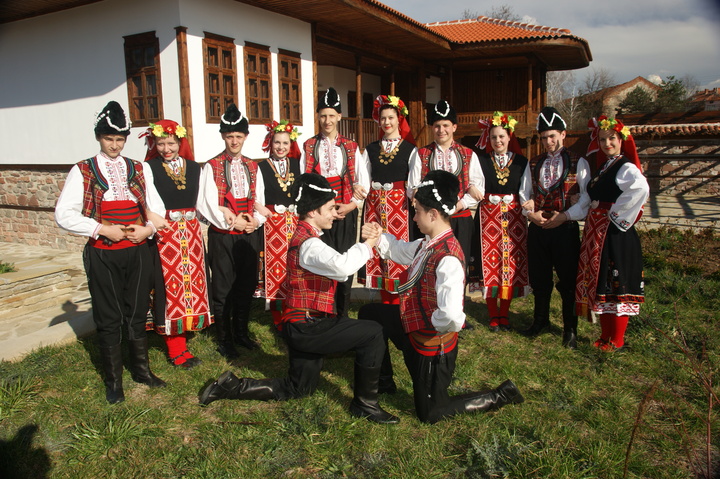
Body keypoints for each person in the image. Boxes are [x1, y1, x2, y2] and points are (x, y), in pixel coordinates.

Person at [199, 173, 399, 425]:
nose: (334, 212)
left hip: (301, 326)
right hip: (307, 327)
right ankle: (366, 403)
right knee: (373, 331)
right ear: (314, 212)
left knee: (297, 389)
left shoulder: (309, 237)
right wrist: (368, 244)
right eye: (329, 208)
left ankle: (231, 386)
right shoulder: (309, 244)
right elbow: (342, 267)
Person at [358, 170, 524, 423]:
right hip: (414, 327)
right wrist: (377, 235)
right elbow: (399, 250)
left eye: (418, 211)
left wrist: (425, 322)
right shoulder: (429, 243)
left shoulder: (446, 257)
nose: (414, 217)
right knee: (371, 315)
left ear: (433, 214)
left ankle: (500, 395)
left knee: (431, 413)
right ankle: (383, 383)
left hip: (432, 348)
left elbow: (451, 316)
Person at [55, 101, 166, 404]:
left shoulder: (139, 168)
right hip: (103, 252)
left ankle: (142, 371)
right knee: (108, 314)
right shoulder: (83, 170)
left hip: (138, 251)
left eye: (119, 139)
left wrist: (148, 229)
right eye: (109, 139)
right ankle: (114, 380)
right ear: (99, 137)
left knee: (137, 308)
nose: (114, 145)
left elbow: (156, 208)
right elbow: (63, 213)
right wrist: (102, 229)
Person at [141, 119, 213, 368]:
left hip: (191, 234)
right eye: (160, 143)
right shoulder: (148, 168)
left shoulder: (195, 168)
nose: (165, 148)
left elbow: (204, 203)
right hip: (166, 235)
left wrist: (223, 219)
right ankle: (176, 347)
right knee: (171, 288)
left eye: (170, 143)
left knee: (191, 286)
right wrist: (152, 217)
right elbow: (147, 201)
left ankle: (187, 330)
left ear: (180, 142)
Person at [198, 104, 266, 359]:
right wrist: (231, 222)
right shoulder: (211, 165)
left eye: (239, 136)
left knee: (246, 285)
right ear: (223, 137)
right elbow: (205, 204)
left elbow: (260, 199)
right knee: (224, 287)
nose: (234, 141)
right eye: (230, 136)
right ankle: (224, 339)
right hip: (223, 236)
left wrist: (254, 222)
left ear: (245, 137)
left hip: (248, 235)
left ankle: (241, 332)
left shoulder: (252, 166)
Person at [576, 116, 649, 352]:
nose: (607, 143)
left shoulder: (625, 167)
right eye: (603, 139)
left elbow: (641, 188)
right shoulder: (606, 165)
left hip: (616, 233)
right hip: (599, 232)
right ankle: (606, 335)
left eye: (612, 139)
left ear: (621, 140)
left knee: (617, 285)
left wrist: (615, 213)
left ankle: (617, 339)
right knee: (604, 286)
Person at [522, 107, 591, 349]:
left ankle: (570, 329)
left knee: (568, 281)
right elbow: (524, 193)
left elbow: (585, 197)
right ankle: (540, 321)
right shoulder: (533, 163)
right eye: (543, 138)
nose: (548, 142)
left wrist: (566, 216)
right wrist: (531, 213)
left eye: (552, 136)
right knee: (540, 279)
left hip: (564, 230)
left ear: (563, 134)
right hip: (539, 229)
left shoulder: (577, 161)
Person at [301, 88, 369, 318]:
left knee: (345, 263)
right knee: (321, 262)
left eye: (331, 115)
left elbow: (363, 182)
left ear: (339, 117)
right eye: (323, 115)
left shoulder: (350, 146)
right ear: (318, 117)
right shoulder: (309, 145)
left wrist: (351, 205)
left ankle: (341, 315)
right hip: (320, 217)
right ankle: (322, 312)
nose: (327, 120)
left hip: (346, 213)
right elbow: (306, 181)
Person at [470, 111, 532, 332]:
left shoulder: (522, 162)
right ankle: (492, 314)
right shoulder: (481, 160)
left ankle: (504, 314)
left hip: (513, 220)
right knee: (491, 265)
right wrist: (473, 189)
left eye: (501, 137)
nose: (498, 141)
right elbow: (473, 183)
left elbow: (525, 192)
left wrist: (529, 205)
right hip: (488, 220)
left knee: (509, 266)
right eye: (494, 137)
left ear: (509, 137)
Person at [409, 100, 481, 279]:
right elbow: (412, 187)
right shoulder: (421, 154)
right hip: (432, 221)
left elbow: (479, 187)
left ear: (454, 127)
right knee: (431, 265)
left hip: (459, 219)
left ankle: (458, 305)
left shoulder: (468, 154)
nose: (441, 130)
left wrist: (460, 204)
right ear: (432, 128)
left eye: (446, 125)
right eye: (437, 126)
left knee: (459, 265)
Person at [357, 95, 417, 304]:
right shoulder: (371, 149)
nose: (387, 122)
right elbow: (363, 178)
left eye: (391, 118)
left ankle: (400, 303)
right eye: (383, 118)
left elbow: (414, 181)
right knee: (377, 250)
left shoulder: (410, 149)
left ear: (399, 119)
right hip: (374, 207)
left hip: (399, 208)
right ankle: (385, 303)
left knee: (398, 251)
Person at [257, 120, 302, 327]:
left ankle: (294, 313)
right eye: (277, 143)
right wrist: (260, 209)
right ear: (270, 143)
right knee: (276, 269)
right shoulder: (261, 167)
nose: (281, 147)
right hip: (272, 225)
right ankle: (278, 320)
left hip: (294, 223)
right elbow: (254, 196)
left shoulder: (296, 164)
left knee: (294, 267)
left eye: (285, 143)